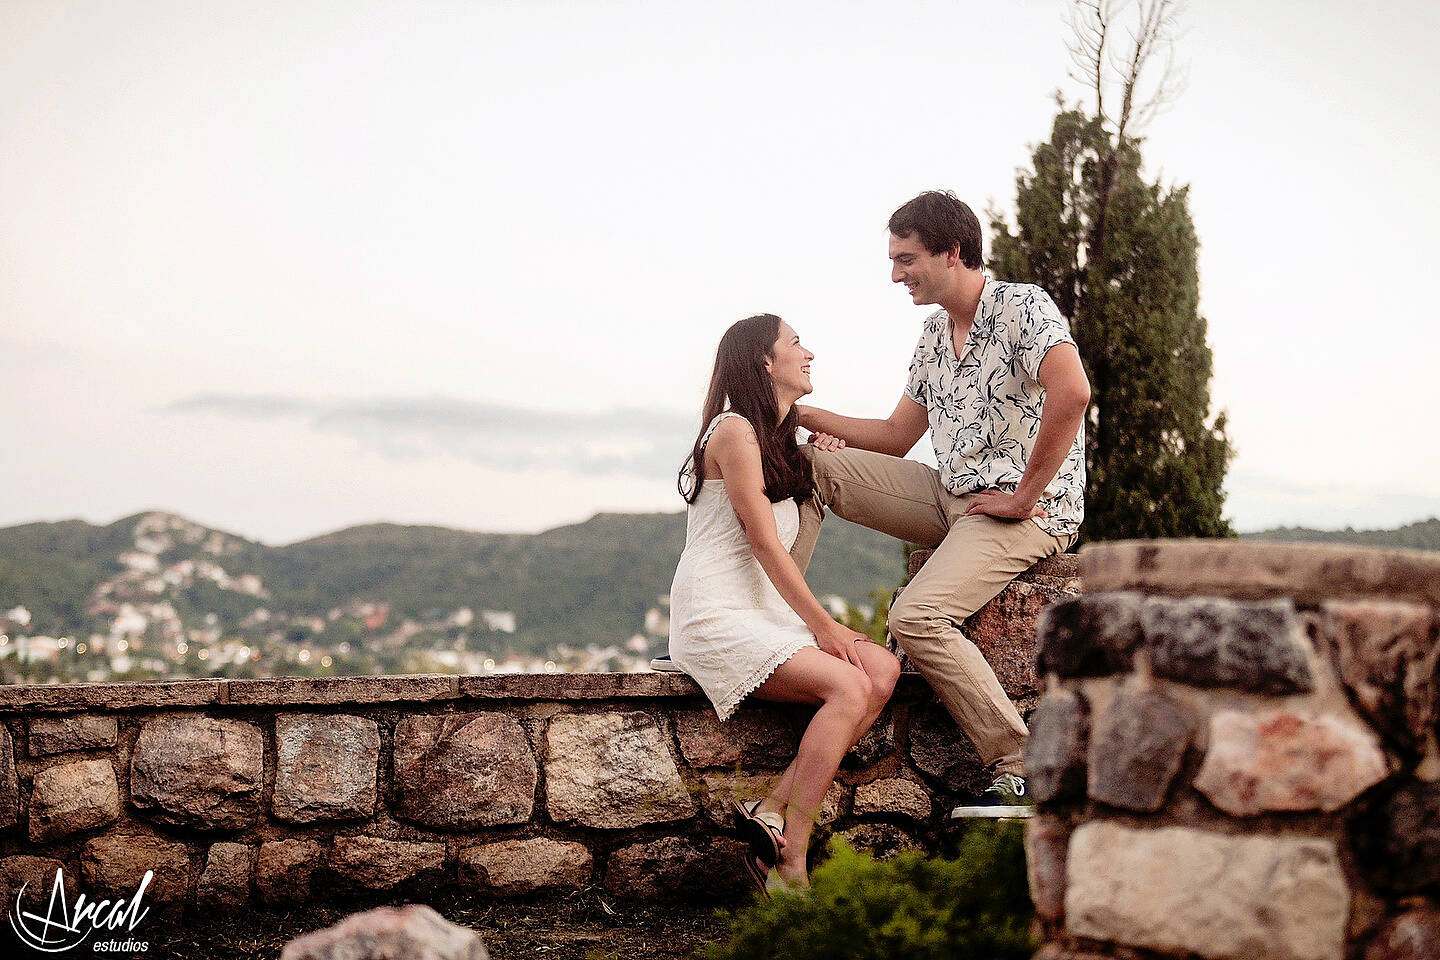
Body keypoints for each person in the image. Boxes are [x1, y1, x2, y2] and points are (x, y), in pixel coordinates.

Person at [793, 190, 1090, 817]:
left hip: (1028, 510)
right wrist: (801, 416)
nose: (895, 275)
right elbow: (897, 436)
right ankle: (768, 620)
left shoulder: (1023, 307)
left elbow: (1073, 393)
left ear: (951, 253)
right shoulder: (933, 334)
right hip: (948, 493)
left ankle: (1021, 766)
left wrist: (1023, 497)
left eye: (906, 260)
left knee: (916, 616)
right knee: (811, 467)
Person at [668, 313, 901, 894]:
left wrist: (812, 453)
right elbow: (764, 544)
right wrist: (826, 627)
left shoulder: (774, 442)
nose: (809, 353)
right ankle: (790, 857)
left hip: (763, 612)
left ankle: (770, 812)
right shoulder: (732, 432)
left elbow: (790, 535)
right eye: (796, 343)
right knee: (849, 687)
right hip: (717, 613)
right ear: (765, 362)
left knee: (882, 669)